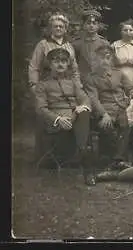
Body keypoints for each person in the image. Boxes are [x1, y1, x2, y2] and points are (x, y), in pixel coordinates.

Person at [34, 48, 95, 185]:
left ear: (68, 64)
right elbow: (41, 108)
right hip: (56, 121)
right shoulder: (43, 85)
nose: (60, 64)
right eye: (56, 61)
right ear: (50, 64)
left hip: (75, 117)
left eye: (63, 61)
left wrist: (82, 106)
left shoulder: (72, 82)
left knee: (84, 113)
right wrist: (58, 119)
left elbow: (85, 98)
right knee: (83, 121)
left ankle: (82, 153)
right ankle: (86, 162)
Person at [84, 44, 133, 170]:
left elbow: (131, 87)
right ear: (96, 60)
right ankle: (113, 160)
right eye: (101, 58)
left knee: (128, 124)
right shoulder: (91, 78)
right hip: (104, 109)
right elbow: (93, 99)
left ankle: (118, 160)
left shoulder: (119, 74)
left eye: (108, 58)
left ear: (112, 59)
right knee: (107, 127)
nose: (104, 61)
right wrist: (103, 114)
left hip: (122, 108)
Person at [29, 13, 82, 93]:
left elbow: (74, 69)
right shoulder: (43, 44)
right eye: (55, 26)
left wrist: (77, 85)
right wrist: (34, 84)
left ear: (65, 29)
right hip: (47, 84)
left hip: (67, 85)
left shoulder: (69, 46)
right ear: (51, 29)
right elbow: (34, 66)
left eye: (61, 26)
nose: (58, 28)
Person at [72, 9, 110, 80]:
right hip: (82, 81)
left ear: (98, 25)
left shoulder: (104, 43)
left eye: (94, 23)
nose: (91, 26)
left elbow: (108, 64)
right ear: (83, 25)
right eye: (88, 23)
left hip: (100, 80)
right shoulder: (76, 44)